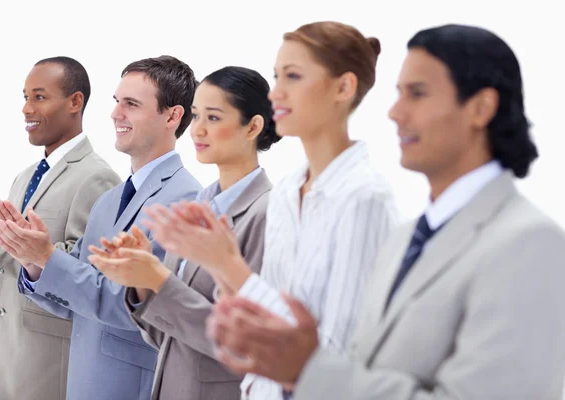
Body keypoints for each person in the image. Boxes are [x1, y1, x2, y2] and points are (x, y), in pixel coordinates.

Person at [205, 24, 565, 400]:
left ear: (480, 108)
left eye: (418, 94)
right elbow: (366, 367)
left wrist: (307, 369)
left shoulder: (530, 244)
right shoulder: (406, 239)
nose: (394, 112)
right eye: (398, 94)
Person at [138, 21, 400, 400]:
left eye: (292, 76)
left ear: (343, 87)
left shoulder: (364, 198)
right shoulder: (290, 191)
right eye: (277, 76)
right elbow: (256, 331)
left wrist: (226, 266)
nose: (275, 92)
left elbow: (340, 354)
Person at [0, 55, 202, 400]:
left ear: (172, 115)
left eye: (131, 104)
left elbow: (139, 310)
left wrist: (47, 256)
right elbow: (73, 296)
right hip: (82, 383)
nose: (116, 113)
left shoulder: (187, 201)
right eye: (118, 102)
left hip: (129, 388)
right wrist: (33, 259)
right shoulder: (110, 200)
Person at [88, 65, 282, 400]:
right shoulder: (198, 205)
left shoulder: (267, 215)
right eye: (196, 116)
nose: (197, 130)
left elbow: (247, 347)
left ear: (253, 126)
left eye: (214, 118)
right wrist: (142, 281)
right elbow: (166, 334)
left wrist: (159, 281)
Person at [0, 56, 121, 400]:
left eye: (39, 97)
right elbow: (4, 270)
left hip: (49, 370)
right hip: (8, 361)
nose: (26, 108)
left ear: (75, 102)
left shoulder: (98, 178)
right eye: (24, 97)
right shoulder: (25, 176)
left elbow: (83, 273)